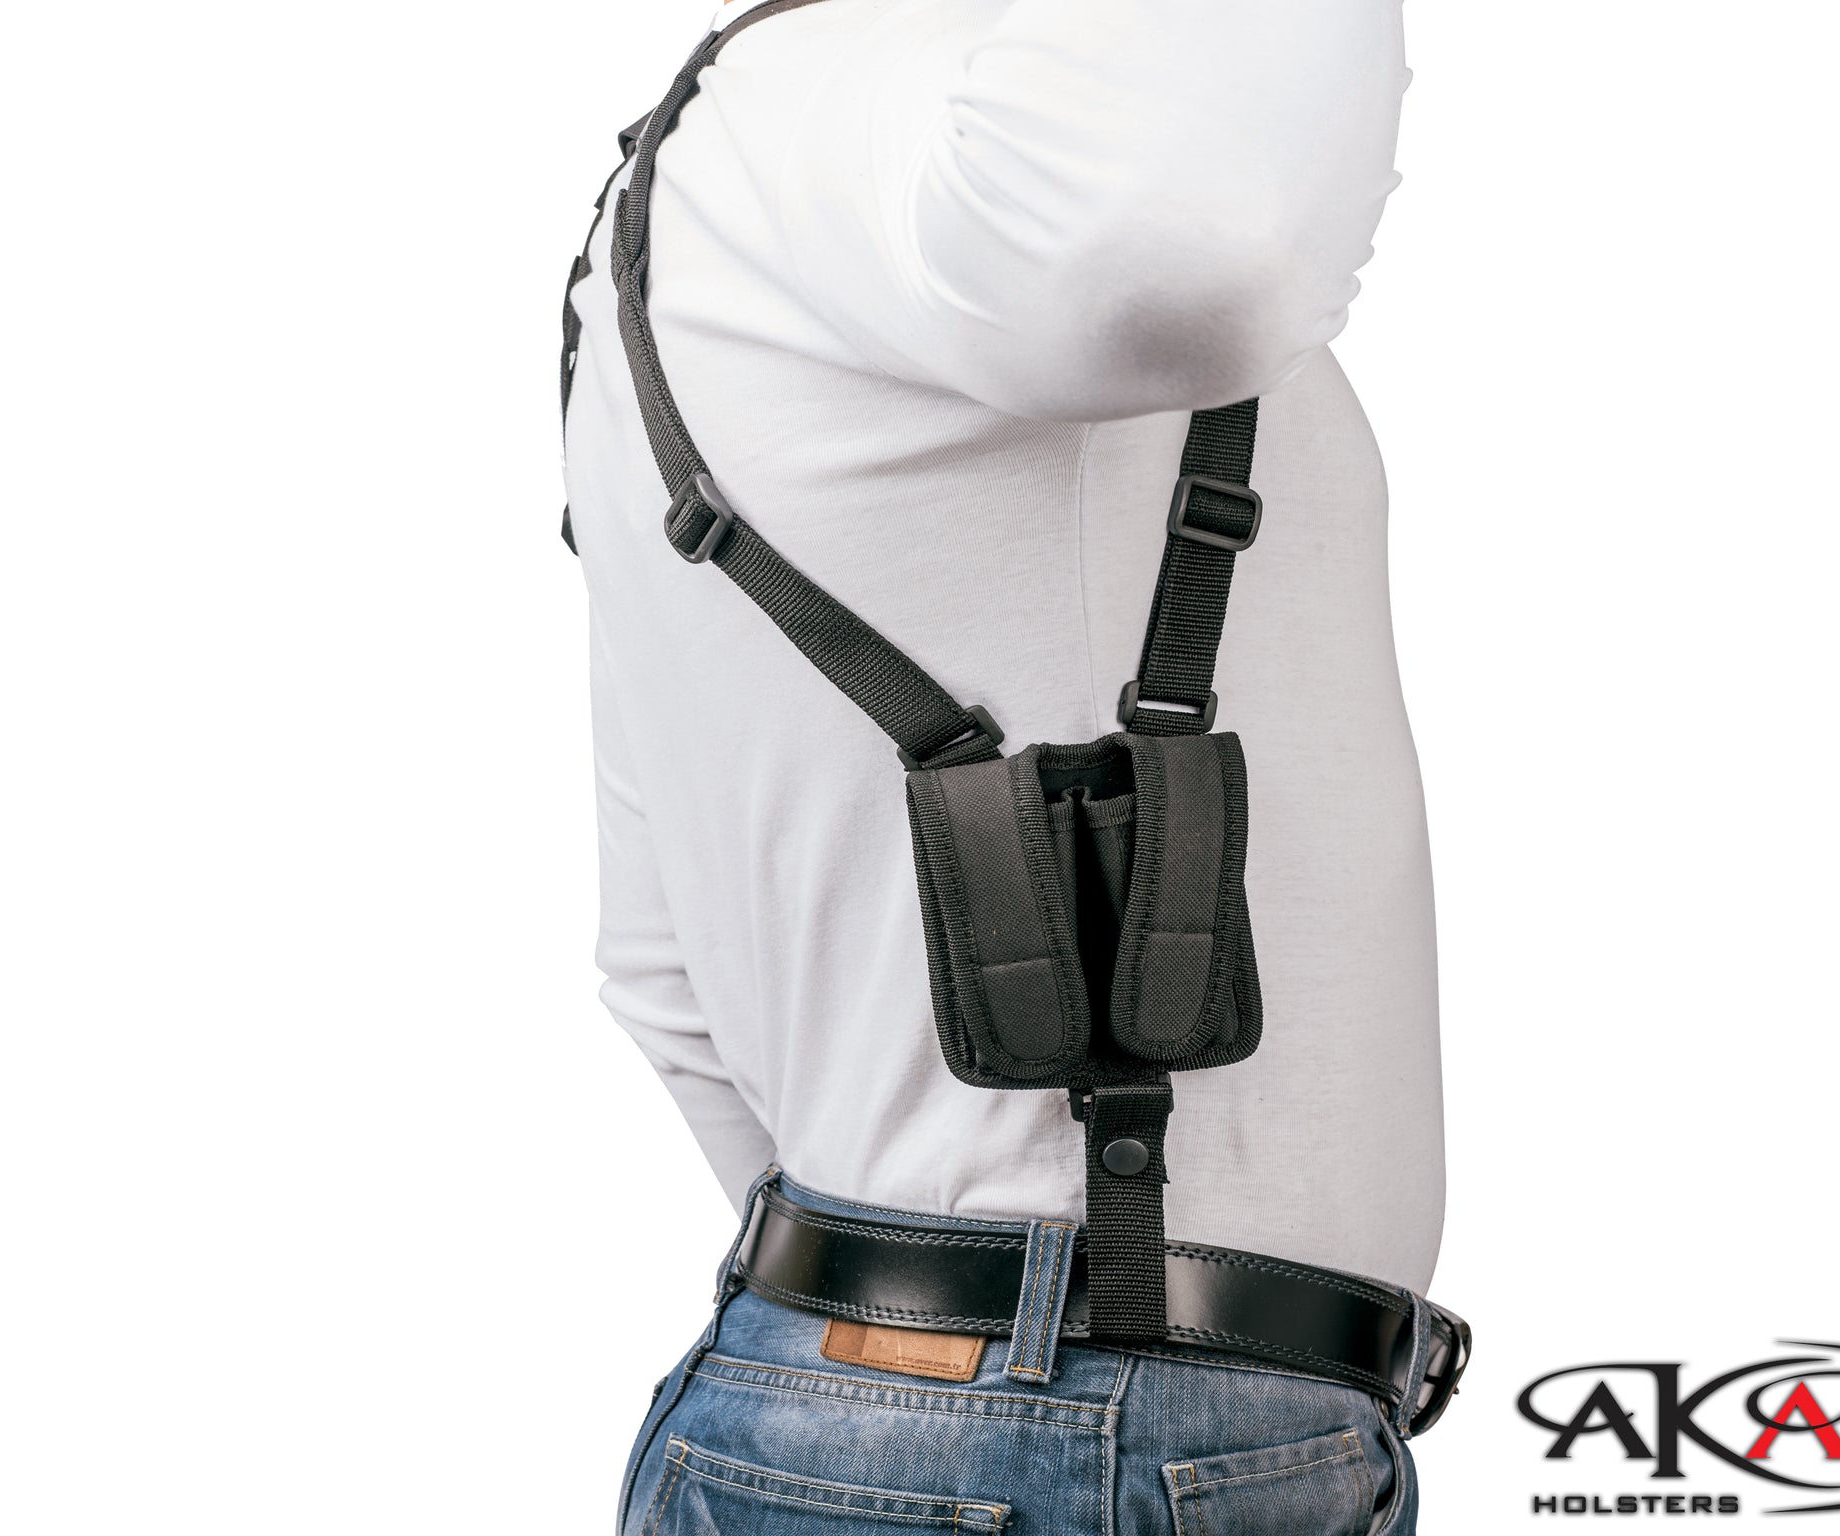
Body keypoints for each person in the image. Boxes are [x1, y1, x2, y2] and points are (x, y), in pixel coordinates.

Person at [559, 1, 1459, 1530]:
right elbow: (1197, 248)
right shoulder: (893, 120)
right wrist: (1000, 1339)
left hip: (935, 1399)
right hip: (1061, 1425)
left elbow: (660, 965)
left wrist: (890, 1314)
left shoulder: (683, 213)